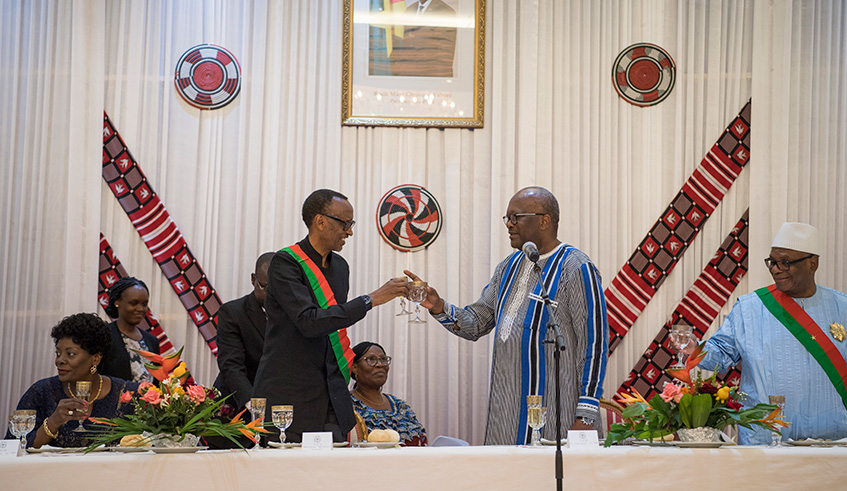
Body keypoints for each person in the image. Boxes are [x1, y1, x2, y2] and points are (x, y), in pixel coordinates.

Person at [406, 186, 609, 445]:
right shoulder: (509, 266)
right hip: (507, 414)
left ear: (544, 221)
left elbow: (596, 344)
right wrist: (437, 305)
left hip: (559, 415)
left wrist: (587, 415)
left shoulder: (577, 267)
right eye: (507, 218)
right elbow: (476, 323)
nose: (509, 225)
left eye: (516, 217)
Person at [252, 189, 409, 442]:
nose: (350, 232)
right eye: (345, 224)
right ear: (321, 221)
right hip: (290, 395)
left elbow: (334, 322)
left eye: (351, 224)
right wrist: (371, 300)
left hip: (332, 395)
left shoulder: (340, 267)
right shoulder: (285, 263)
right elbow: (310, 322)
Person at [698, 222, 847, 444]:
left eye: (786, 263)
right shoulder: (749, 308)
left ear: (812, 264)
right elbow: (718, 355)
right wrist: (695, 350)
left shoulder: (841, 306)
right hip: (766, 442)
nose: (776, 269)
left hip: (835, 443)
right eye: (773, 262)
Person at [5, 313, 138, 448]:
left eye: (71, 354)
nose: (60, 361)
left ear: (95, 358)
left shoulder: (128, 396)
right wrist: (53, 422)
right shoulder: (41, 392)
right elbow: (12, 449)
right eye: (58, 353)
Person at [213, 252, 275, 412]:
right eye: (265, 287)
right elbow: (231, 365)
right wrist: (253, 404)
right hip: (237, 404)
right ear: (254, 279)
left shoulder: (293, 314)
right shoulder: (232, 313)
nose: (272, 295)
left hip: (276, 403)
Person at [349, 341, 427, 446]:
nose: (380, 365)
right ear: (355, 368)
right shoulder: (347, 405)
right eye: (371, 359)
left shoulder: (400, 406)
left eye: (383, 359)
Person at [99, 277, 160, 383]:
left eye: (144, 304)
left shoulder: (152, 341)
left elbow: (157, 382)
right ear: (117, 302)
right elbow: (93, 374)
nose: (140, 309)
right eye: (133, 303)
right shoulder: (103, 335)